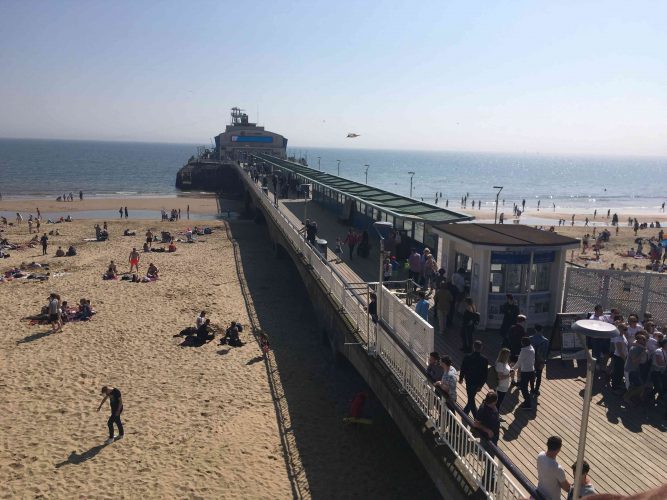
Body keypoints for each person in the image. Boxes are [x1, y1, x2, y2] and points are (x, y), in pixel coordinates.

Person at [459, 340, 489, 417]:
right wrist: (481, 385)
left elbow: (463, 368)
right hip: (477, 382)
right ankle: (466, 411)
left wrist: (461, 378)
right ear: (481, 348)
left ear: (473, 347)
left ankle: (476, 417)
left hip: (469, 381)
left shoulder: (467, 357)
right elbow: (485, 374)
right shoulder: (484, 360)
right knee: (471, 397)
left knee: (471, 398)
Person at [537, 436, 570, 500]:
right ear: (558, 450)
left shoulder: (540, 455)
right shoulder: (558, 469)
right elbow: (567, 488)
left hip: (539, 493)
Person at [514, 336, 536, 410]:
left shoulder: (523, 351)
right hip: (532, 370)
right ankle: (530, 398)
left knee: (524, 388)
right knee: (528, 386)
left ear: (523, 343)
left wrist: (512, 369)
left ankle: (528, 403)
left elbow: (519, 363)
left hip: (525, 372)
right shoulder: (532, 348)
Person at [530, 325, 549, 395]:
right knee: (539, 375)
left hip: (531, 360)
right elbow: (546, 353)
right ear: (542, 330)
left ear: (535, 330)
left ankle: (531, 389)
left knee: (531, 375)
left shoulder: (530, 338)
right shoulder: (545, 340)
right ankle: (536, 389)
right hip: (540, 360)